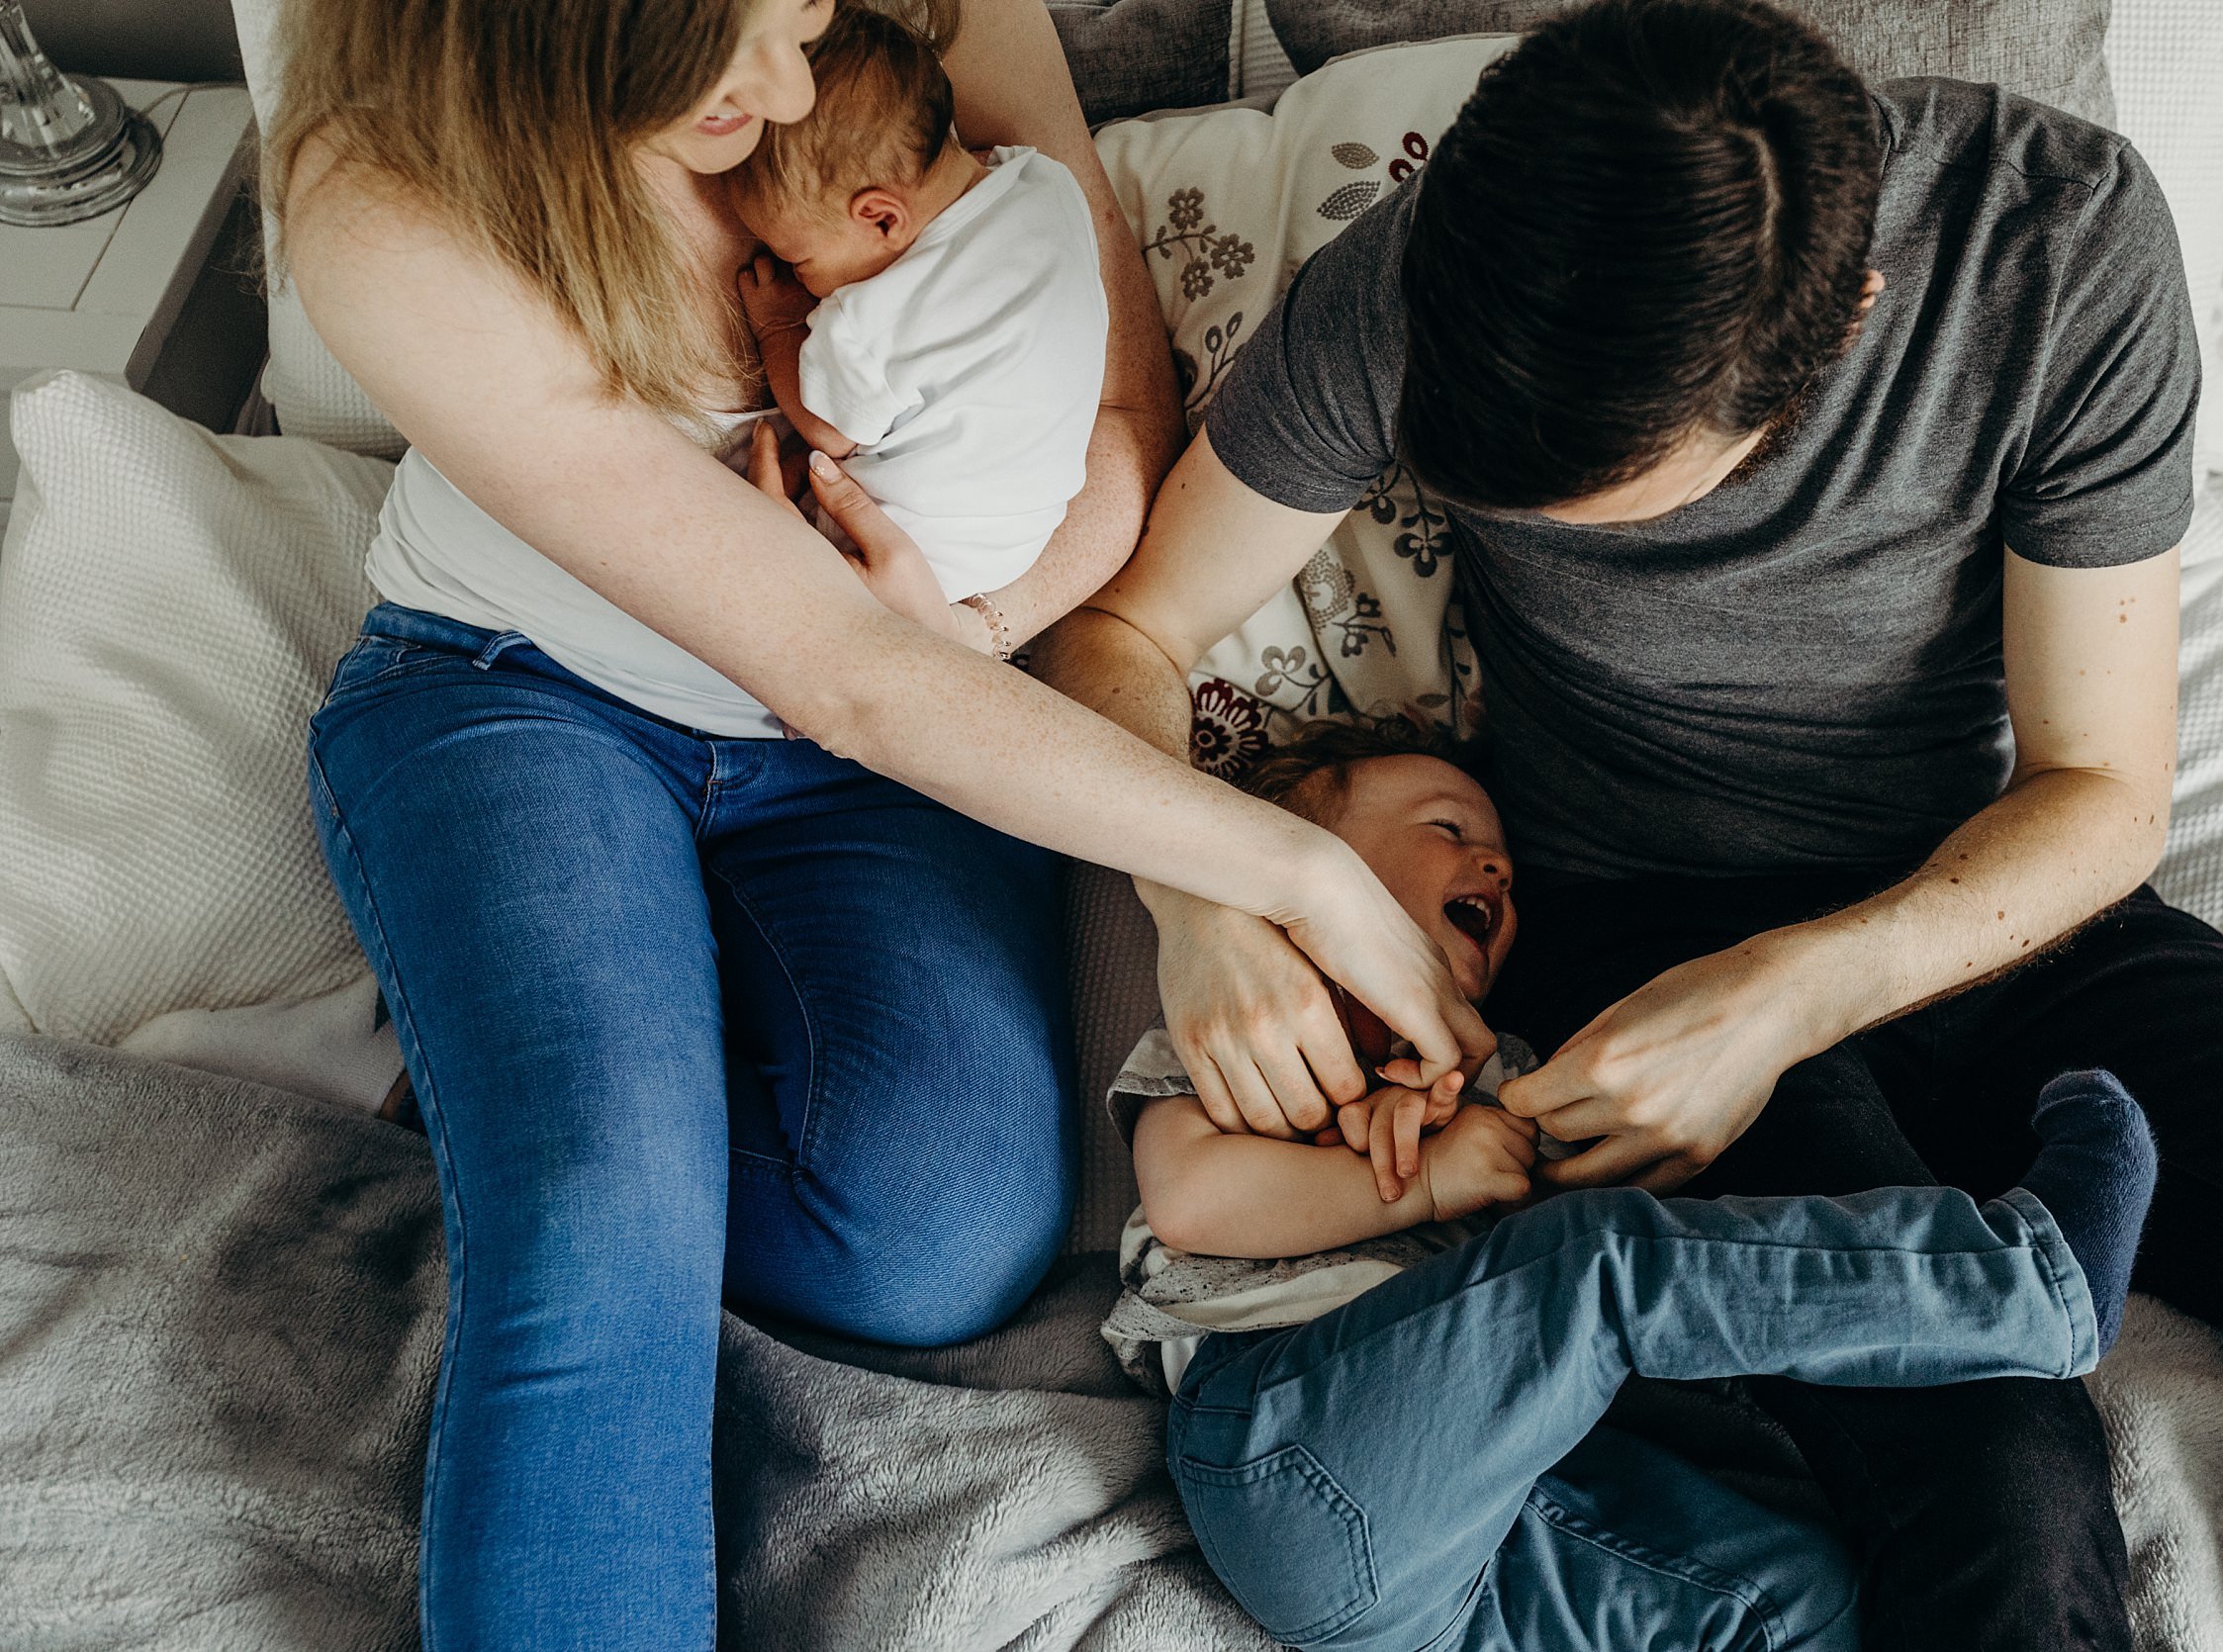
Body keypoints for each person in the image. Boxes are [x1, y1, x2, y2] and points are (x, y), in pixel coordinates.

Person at [1038, 0, 2223, 1647]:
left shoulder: (2062, 242)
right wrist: (1201, 895)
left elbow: (2099, 793)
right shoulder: (1438, 280)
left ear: (1846, 320)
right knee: (2003, 1492)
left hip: (1998, 906)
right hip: (1631, 943)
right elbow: (1117, 638)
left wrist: (1785, 996)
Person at [267, 0, 1487, 1645]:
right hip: (527, 690)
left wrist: (978, 634)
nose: (791, 87)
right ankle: (570, 1146)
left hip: (898, 722)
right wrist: (1290, 873)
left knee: (939, 1241)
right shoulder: (384, 193)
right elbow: (838, 666)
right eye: (733, 57)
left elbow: (1118, 442)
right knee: (603, 1217)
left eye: (813, 21)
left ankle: (526, 1095)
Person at [1102, 719, 2161, 1651]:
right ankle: (2026, 1280)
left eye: (1503, 857)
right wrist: (1418, 1183)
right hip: (1287, 1445)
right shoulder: (1252, 1021)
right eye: (1445, 829)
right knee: (1604, 1259)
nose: (1494, 865)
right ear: (1310, 856)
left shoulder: (1499, 1068)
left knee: (1806, 1598)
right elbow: (1193, 1197)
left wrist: (1503, 1145)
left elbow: (1558, 1260)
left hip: (1481, 1557)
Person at [729, 7, 1108, 612]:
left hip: (909, 548)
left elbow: (833, 434)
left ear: (881, 217)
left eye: (797, 259)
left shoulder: (866, 318)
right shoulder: (1049, 184)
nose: (798, 279)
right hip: (1028, 530)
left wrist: (777, 326)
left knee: (770, 499)